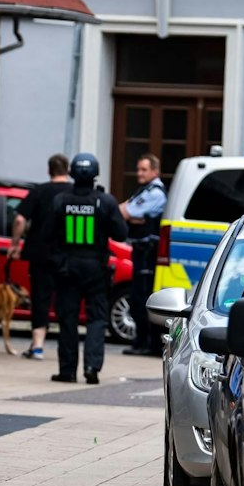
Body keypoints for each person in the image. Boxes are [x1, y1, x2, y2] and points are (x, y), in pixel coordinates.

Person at [43, 152, 128, 386]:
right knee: (96, 319)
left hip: (67, 268)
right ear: (95, 174)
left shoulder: (61, 200)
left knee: (68, 319)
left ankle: (67, 370)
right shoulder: (105, 201)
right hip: (96, 269)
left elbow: (47, 234)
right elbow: (121, 233)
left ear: (72, 173)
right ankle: (92, 367)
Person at [10, 154, 73, 360]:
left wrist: (14, 244)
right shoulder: (73, 192)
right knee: (66, 300)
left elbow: (20, 219)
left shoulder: (39, 191)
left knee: (40, 299)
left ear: (49, 170)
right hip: (67, 254)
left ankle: (37, 346)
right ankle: (67, 345)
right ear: (68, 170)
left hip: (40, 254)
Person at [120, 154, 167, 356]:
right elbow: (124, 211)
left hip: (148, 252)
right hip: (141, 250)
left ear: (155, 171)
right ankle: (141, 342)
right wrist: (132, 216)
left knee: (144, 297)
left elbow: (127, 212)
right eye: (138, 169)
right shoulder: (146, 190)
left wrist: (133, 216)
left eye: (144, 170)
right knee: (138, 296)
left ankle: (148, 343)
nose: (139, 173)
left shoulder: (155, 193)